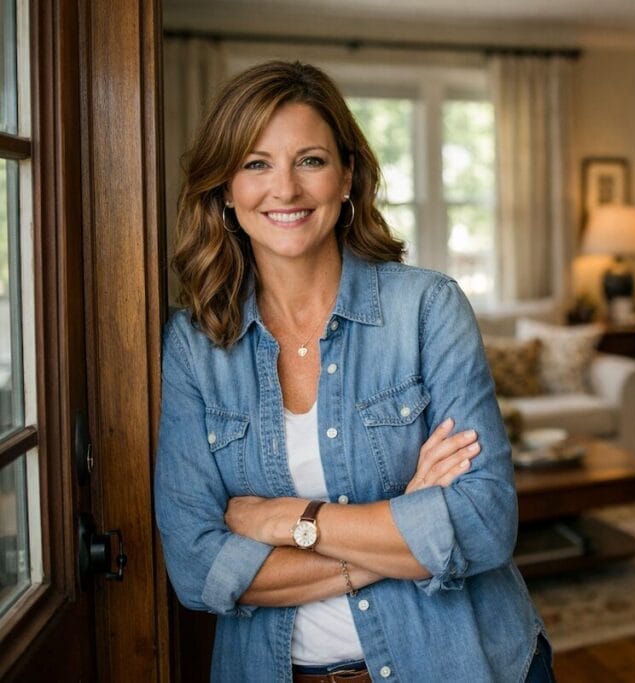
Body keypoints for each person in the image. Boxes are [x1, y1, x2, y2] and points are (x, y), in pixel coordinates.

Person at [155, 60, 552, 683]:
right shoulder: (192, 346)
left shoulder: (426, 308)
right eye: (256, 164)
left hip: (460, 663)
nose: (285, 189)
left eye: (309, 160)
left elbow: (482, 524)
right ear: (226, 189)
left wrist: (288, 520)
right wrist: (404, 524)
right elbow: (197, 569)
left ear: (346, 177)